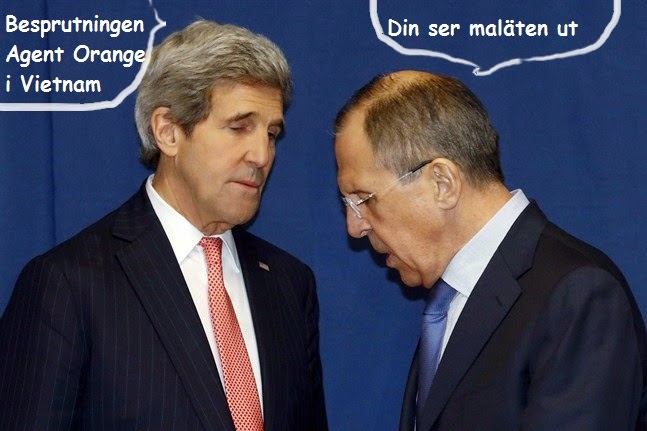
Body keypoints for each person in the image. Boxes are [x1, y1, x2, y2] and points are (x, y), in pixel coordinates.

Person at [0, 20, 328, 430]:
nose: (262, 155)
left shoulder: (290, 284)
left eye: (272, 134)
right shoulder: (68, 284)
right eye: (239, 127)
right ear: (168, 132)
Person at [334, 70, 647, 430]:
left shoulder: (578, 295)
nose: (355, 227)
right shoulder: (451, 300)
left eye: (363, 199)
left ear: (442, 183)